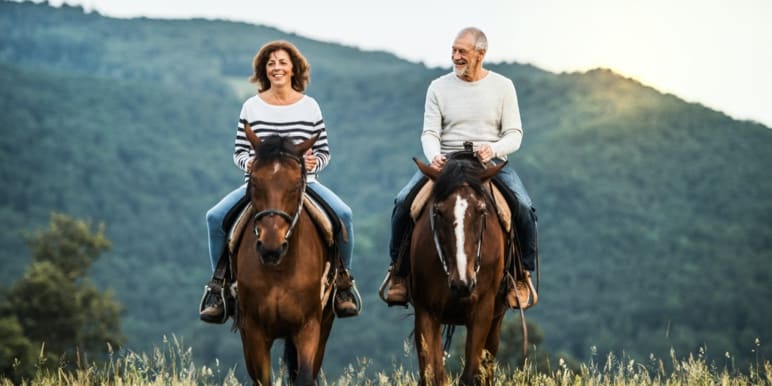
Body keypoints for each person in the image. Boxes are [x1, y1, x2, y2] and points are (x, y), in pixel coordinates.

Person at [200, 40, 359, 323]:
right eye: (271, 63)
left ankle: (343, 283)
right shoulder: (251, 106)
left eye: (282, 62)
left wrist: (313, 163)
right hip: (260, 185)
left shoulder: (310, 107)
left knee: (343, 215)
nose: (277, 68)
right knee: (215, 218)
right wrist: (248, 163)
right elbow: (239, 151)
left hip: (303, 183)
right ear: (264, 70)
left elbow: (323, 152)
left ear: (294, 68)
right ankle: (219, 286)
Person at [384, 27, 538, 305]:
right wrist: (434, 155)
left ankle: (521, 275)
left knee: (523, 206)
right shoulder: (438, 87)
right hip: (448, 163)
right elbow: (430, 132)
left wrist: (494, 148)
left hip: (487, 163)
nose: (455, 56)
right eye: (453, 50)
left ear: (481, 54)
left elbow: (514, 133)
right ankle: (398, 273)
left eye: (462, 52)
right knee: (404, 201)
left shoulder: (503, 86)